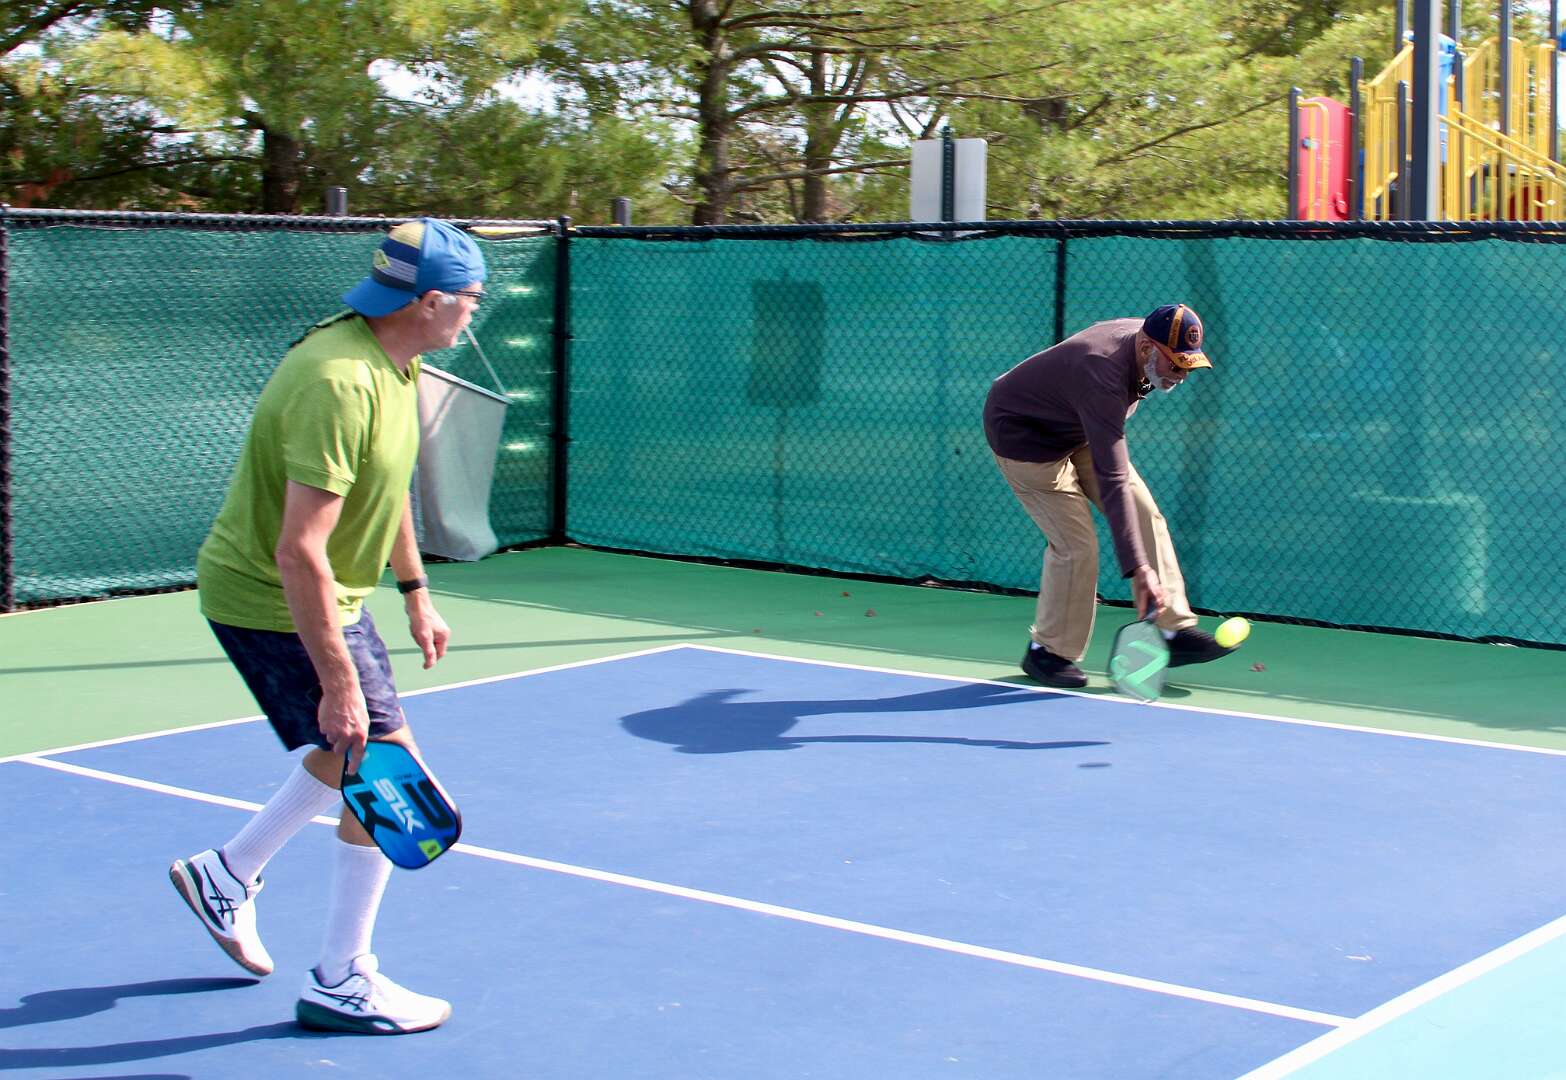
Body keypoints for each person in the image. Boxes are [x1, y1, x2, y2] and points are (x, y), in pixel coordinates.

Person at [169, 218, 486, 1034]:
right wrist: (340, 683)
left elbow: (388, 481)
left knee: (353, 756)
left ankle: (227, 874)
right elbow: (298, 549)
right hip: (272, 596)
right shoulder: (339, 382)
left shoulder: (396, 359)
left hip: (331, 594)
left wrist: (415, 589)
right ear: (430, 301)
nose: (473, 313)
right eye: (471, 299)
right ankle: (343, 977)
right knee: (386, 774)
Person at [983, 303, 1237, 689]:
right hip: (1025, 439)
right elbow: (1113, 477)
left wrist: (1143, 566)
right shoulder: (1102, 374)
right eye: (1176, 365)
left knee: (1145, 513)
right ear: (1148, 348)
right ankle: (1047, 653)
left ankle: (1171, 631)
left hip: (1076, 426)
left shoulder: (1145, 341)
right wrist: (1139, 569)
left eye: (1189, 365)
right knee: (1076, 545)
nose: (1182, 375)